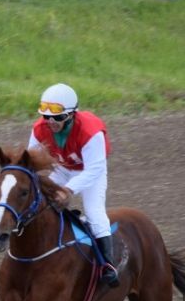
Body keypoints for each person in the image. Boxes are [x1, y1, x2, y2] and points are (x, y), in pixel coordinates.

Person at [26, 84, 119, 287]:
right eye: (46, 117)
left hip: (90, 171)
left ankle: (108, 266)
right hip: (62, 168)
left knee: (94, 212)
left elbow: (93, 170)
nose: (51, 122)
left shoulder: (90, 131)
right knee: (36, 203)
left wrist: (67, 189)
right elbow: (30, 161)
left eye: (57, 117)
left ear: (71, 115)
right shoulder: (39, 128)